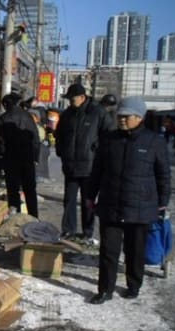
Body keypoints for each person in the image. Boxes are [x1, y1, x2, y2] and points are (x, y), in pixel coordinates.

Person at [86, 96, 170, 304]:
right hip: (111, 203)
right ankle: (105, 289)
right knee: (108, 251)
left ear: (139, 117)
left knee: (135, 250)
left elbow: (163, 175)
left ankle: (134, 285)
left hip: (140, 206)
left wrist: (162, 201)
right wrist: (90, 195)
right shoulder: (109, 140)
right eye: (119, 116)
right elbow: (97, 171)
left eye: (126, 116)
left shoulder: (154, 141)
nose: (122, 120)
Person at [55, 84, 113, 242]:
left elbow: (109, 135)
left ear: (82, 97)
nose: (70, 102)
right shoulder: (67, 115)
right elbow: (59, 134)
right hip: (70, 165)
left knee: (88, 201)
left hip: (90, 166)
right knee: (69, 200)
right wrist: (61, 151)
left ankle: (87, 232)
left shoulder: (97, 112)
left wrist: (98, 153)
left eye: (72, 99)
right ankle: (68, 230)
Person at [0, 93, 41, 218]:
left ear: (6, 104)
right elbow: (35, 138)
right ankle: (33, 217)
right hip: (27, 158)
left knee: (13, 191)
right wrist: (35, 157)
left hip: (11, 159)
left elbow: (0, 142)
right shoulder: (28, 116)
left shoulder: (3, 119)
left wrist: (0, 159)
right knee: (30, 190)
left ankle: (15, 218)